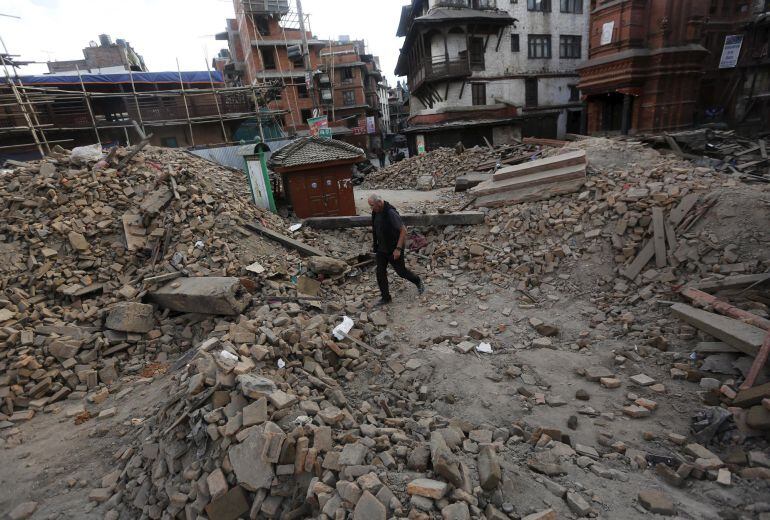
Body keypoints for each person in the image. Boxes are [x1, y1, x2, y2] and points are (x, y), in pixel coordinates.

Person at [368, 194, 424, 306]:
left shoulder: (390, 213)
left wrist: (398, 249)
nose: (371, 208)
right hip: (382, 249)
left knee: (401, 272)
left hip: (394, 248)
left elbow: (403, 230)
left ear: (379, 202)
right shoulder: (376, 212)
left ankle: (417, 281)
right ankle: (386, 297)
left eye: (372, 205)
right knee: (380, 273)